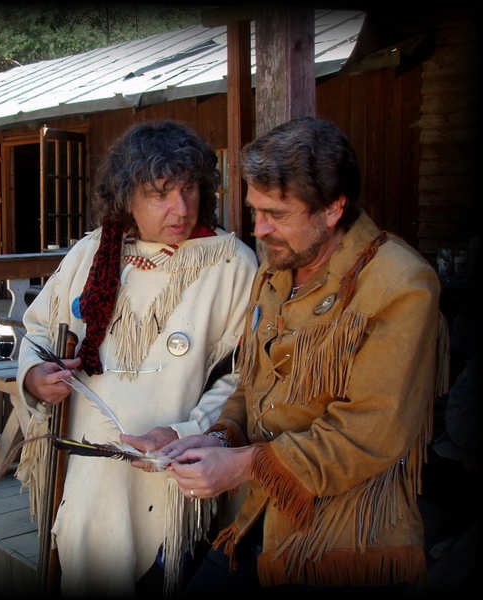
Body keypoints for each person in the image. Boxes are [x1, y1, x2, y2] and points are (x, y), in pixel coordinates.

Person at [162, 117, 447, 593]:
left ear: (333, 209)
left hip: (340, 542)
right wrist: (217, 438)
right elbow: (252, 386)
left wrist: (247, 464)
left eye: (277, 213)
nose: (259, 229)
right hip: (254, 522)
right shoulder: (277, 269)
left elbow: (370, 433)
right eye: (254, 211)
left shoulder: (401, 285)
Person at [13, 120, 258, 596]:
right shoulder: (92, 254)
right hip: (86, 478)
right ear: (127, 196)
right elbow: (39, 330)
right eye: (160, 194)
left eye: (189, 190)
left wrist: (191, 433)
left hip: (173, 479)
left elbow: (241, 375)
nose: (180, 209)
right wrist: (33, 377)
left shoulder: (230, 263)